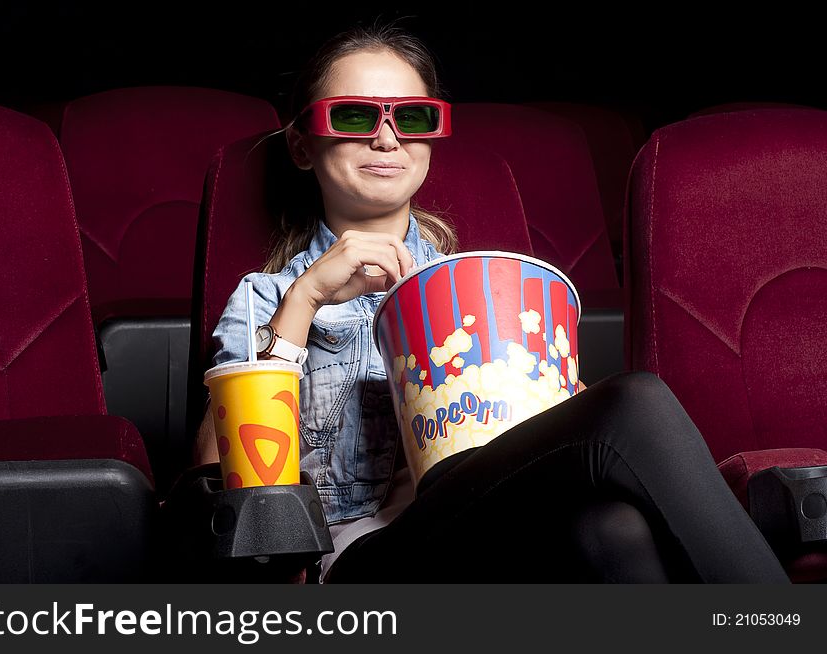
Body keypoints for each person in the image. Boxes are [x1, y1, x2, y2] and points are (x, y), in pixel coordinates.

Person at [194, 23, 790, 584]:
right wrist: (307, 300)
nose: (386, 136)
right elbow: (217, 474)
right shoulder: (269, 296)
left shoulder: (482, 292)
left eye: (413, 117)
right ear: (302, 146)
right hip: (360, 558)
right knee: (634, 400)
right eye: (353, 116)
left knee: (614, 529)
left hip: (490, 530)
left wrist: (559, 409)